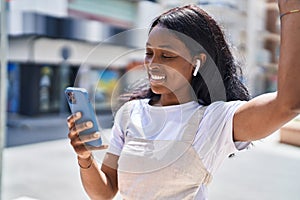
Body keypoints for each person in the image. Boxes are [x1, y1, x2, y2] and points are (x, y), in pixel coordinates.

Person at [67, 1, 300, 199]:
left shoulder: (213, 120)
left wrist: (291, 12)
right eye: (149, 53)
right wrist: (85, 157)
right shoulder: (130, 113)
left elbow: (287, 105)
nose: (153, 64)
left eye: (167, 55)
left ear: (197, 62)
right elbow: (104, 192)